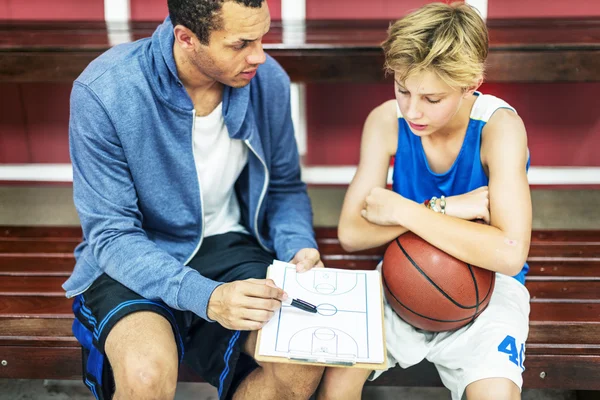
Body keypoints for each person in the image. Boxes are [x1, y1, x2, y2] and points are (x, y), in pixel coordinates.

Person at [63, 1, 327, 399]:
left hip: (231, 245)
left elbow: (284, 186)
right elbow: (113, 235)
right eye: (241, 43)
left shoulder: (266, 79)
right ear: (185, 37)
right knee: (145, 376)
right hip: (135, 256)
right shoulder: (104, 90)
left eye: (262, 38)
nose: (259, 55)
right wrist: (206, 297)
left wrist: (297, 246)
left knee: (300, 360)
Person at [321, 3, 532, 400]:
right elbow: (351, 233)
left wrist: (401, 209)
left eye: (432, 99)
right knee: (335, 381)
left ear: (471, 82)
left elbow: (508, 254)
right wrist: (442, 208)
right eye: (403, 90)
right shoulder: (386, 121)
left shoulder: (500, 128)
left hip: (486, 285)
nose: (413, 110)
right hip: (402, 274)